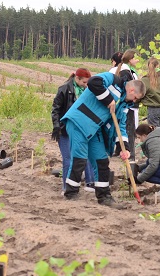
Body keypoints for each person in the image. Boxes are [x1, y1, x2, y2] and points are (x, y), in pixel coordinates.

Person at [61, 69, 145, 208]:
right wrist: (108, 99)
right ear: (131, 90)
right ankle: (71, 194)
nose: (135, 101)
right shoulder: (112, 80)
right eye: (136, 97)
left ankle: (104, 196)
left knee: (102, 161)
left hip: (95, 129)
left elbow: (121, 126)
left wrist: (123, 147)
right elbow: (94, 82)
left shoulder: (124, 104)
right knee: (79, 159)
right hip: (79, 121)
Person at [51, 68, 96, 193]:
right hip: (65, 129)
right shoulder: (64, 89)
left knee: (85, 155)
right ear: (77, 79)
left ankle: (90, 183)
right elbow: (55, 110)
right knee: (68, 159)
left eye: (88, 82)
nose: (86, 85)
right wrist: (57, 126)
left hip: (82, 129)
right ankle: (66, 187)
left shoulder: (87, 92)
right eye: (85, 82)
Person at [109, 50, 140, 159]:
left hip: (119, 105)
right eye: (136, 58)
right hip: (124, 105)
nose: (138, 60)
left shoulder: (123, 70)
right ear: (130, 59)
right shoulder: (127, 72)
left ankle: (125, 151)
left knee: (125, 128)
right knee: (128, 129)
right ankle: (128, 154)